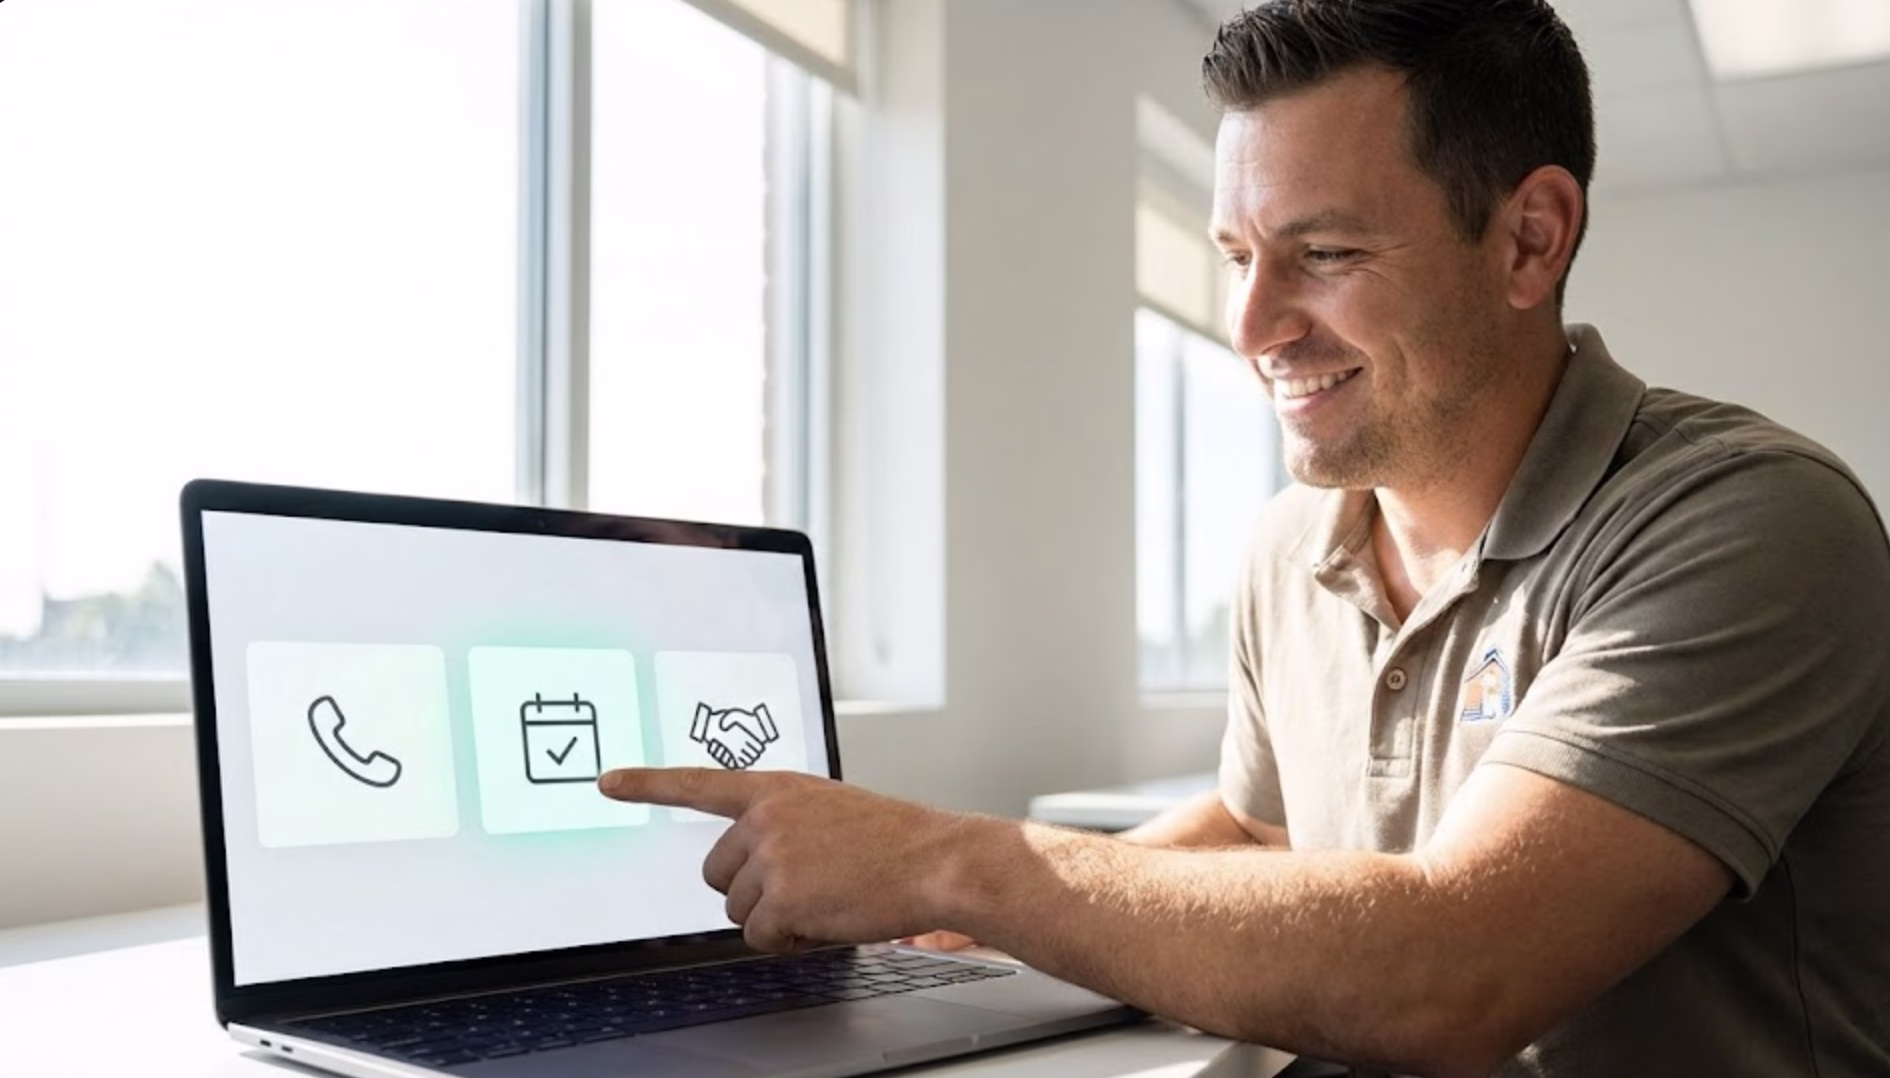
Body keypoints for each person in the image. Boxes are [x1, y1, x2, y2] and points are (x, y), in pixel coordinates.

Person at [600, 2, 1890, 1073]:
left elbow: (1457, 970)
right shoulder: (1297, 546)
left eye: (1321, 253)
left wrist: (953, 866)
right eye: (1236, 256)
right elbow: (1270, 829)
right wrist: (962, 939)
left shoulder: (1747, 520)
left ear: (1529, 239)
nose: (1253, 324)